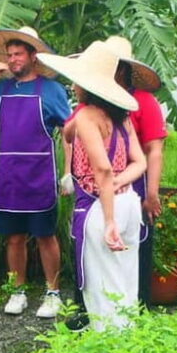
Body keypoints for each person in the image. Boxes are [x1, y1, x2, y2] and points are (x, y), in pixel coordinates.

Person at [39, 41, 146, 331]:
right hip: (128, 202)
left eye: (76, 82)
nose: (73, 87)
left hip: (102, 207)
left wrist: (109, 219)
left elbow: (102, 168)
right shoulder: (120, 117)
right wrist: (120, 182)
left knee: (102, 286)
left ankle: (109, 349)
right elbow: (139, 163)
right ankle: (129, 342)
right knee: (126, 279)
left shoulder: (87, 117)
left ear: (86, 85)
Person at [0, 26, 71, 318]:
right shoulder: (0, 88)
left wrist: (67, 172)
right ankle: (18, 291)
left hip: (39, 175)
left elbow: (68, 133)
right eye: (9, 54)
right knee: (13, 237)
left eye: (18, 54)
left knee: (45, 235)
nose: (13, 59)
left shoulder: (51, 89)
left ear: (33, 56)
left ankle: (53, 293)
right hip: (7, 176)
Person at [104, 36, 166, 310]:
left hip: (134, 188)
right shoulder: (94, 101)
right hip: (99, 189)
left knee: (134, 252)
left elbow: (154, 150)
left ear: (122, 70)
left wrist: (151, 193)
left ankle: (136, 310)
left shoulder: (143, 102)